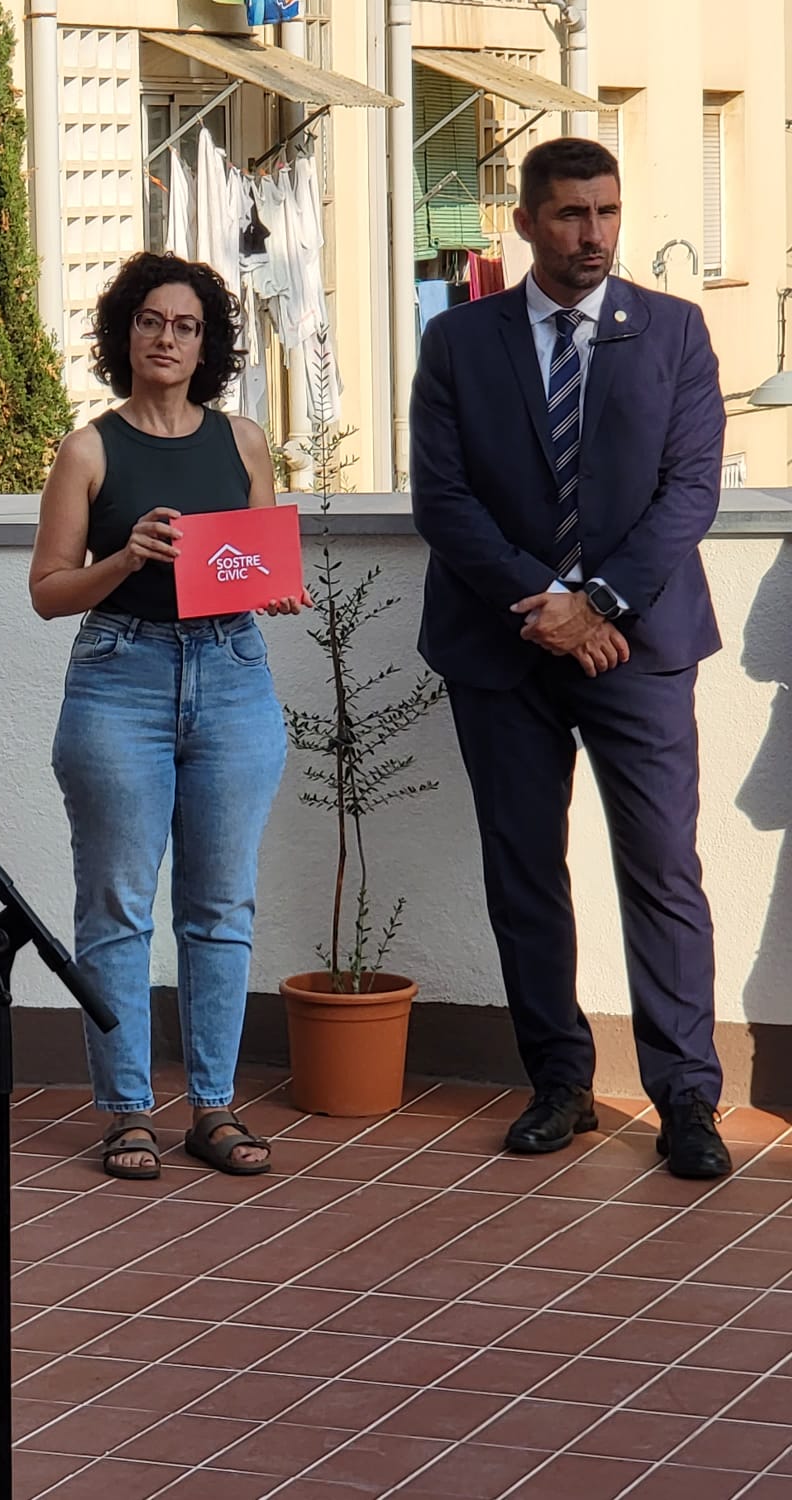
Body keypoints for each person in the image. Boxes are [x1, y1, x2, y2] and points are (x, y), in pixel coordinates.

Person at [410, 138, 729, 1179]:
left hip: (638, 644)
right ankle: (559, 1082)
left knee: (663, 869)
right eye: (570, 216)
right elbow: (444, 500)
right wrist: (541, 606)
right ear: (525, 222)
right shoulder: (459, 342)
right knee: (524, 872)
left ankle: (686, 1097)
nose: (593, 235)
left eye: (607, 213)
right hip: (504, 649)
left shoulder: (675, 332)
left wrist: (594, 603)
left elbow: (689, 492)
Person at [29, 252, 303, 1180]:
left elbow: (255, 561)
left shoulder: (244, 441)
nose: (168, 339)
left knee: (220, 907)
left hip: (231, 672)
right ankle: (126, 1110)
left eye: (186, 326)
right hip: (120, 679)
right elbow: (49, 592)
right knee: (115, 906)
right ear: (125, 332)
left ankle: (216, 1107)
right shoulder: (91, 449)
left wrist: (273, 590)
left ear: (207, 343)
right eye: (151, 321)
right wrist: (128, 557)